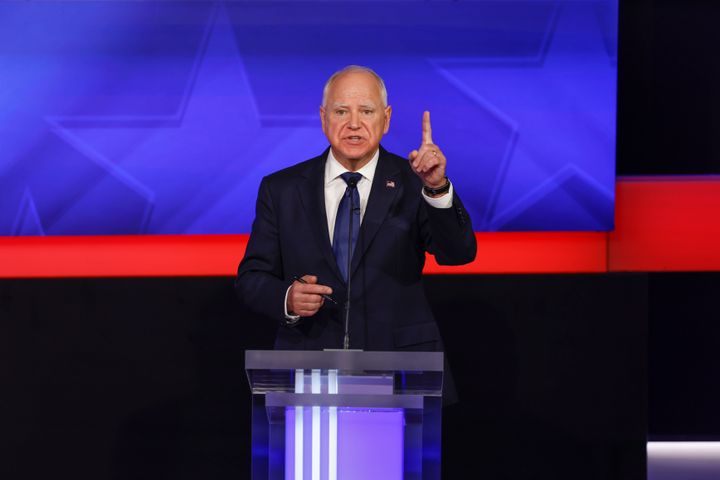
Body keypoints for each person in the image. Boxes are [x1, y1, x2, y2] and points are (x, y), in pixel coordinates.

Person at [235, 65, 476, 351]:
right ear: (324, 118)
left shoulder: (415, 183)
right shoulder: (282, 189)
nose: (353, 123)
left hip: (400, 363)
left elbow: (458, 254)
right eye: (340, 112)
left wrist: (436, 188)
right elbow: (252, 278)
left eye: (366, 111)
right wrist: (287, 297)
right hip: (310, 362)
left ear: (386, 119)